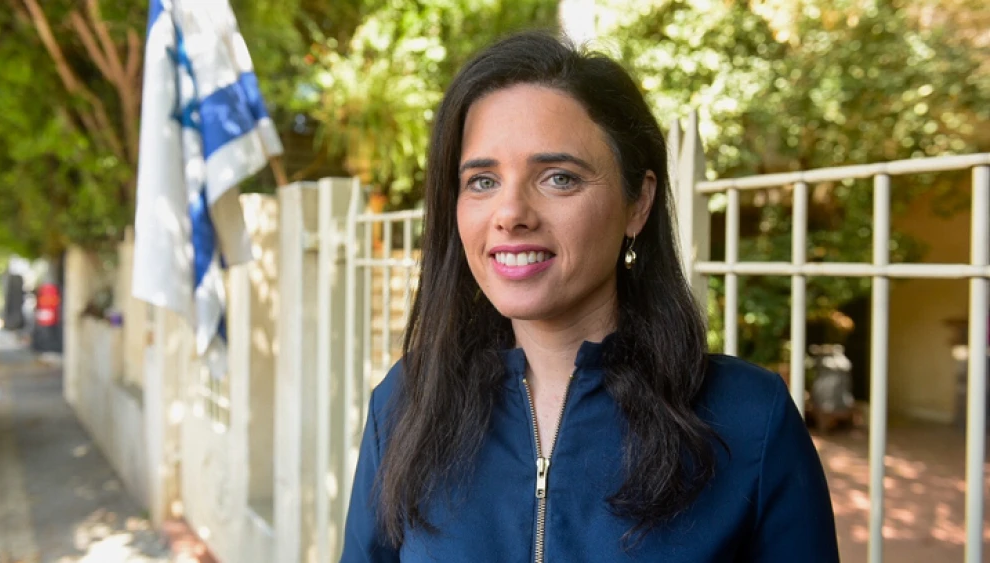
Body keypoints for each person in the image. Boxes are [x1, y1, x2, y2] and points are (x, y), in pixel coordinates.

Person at [341, 31, 839, 562]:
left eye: (559, 177)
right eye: (482, 181)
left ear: (638, 203)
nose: (510, 213)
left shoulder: (748, 421)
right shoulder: (405, 405)